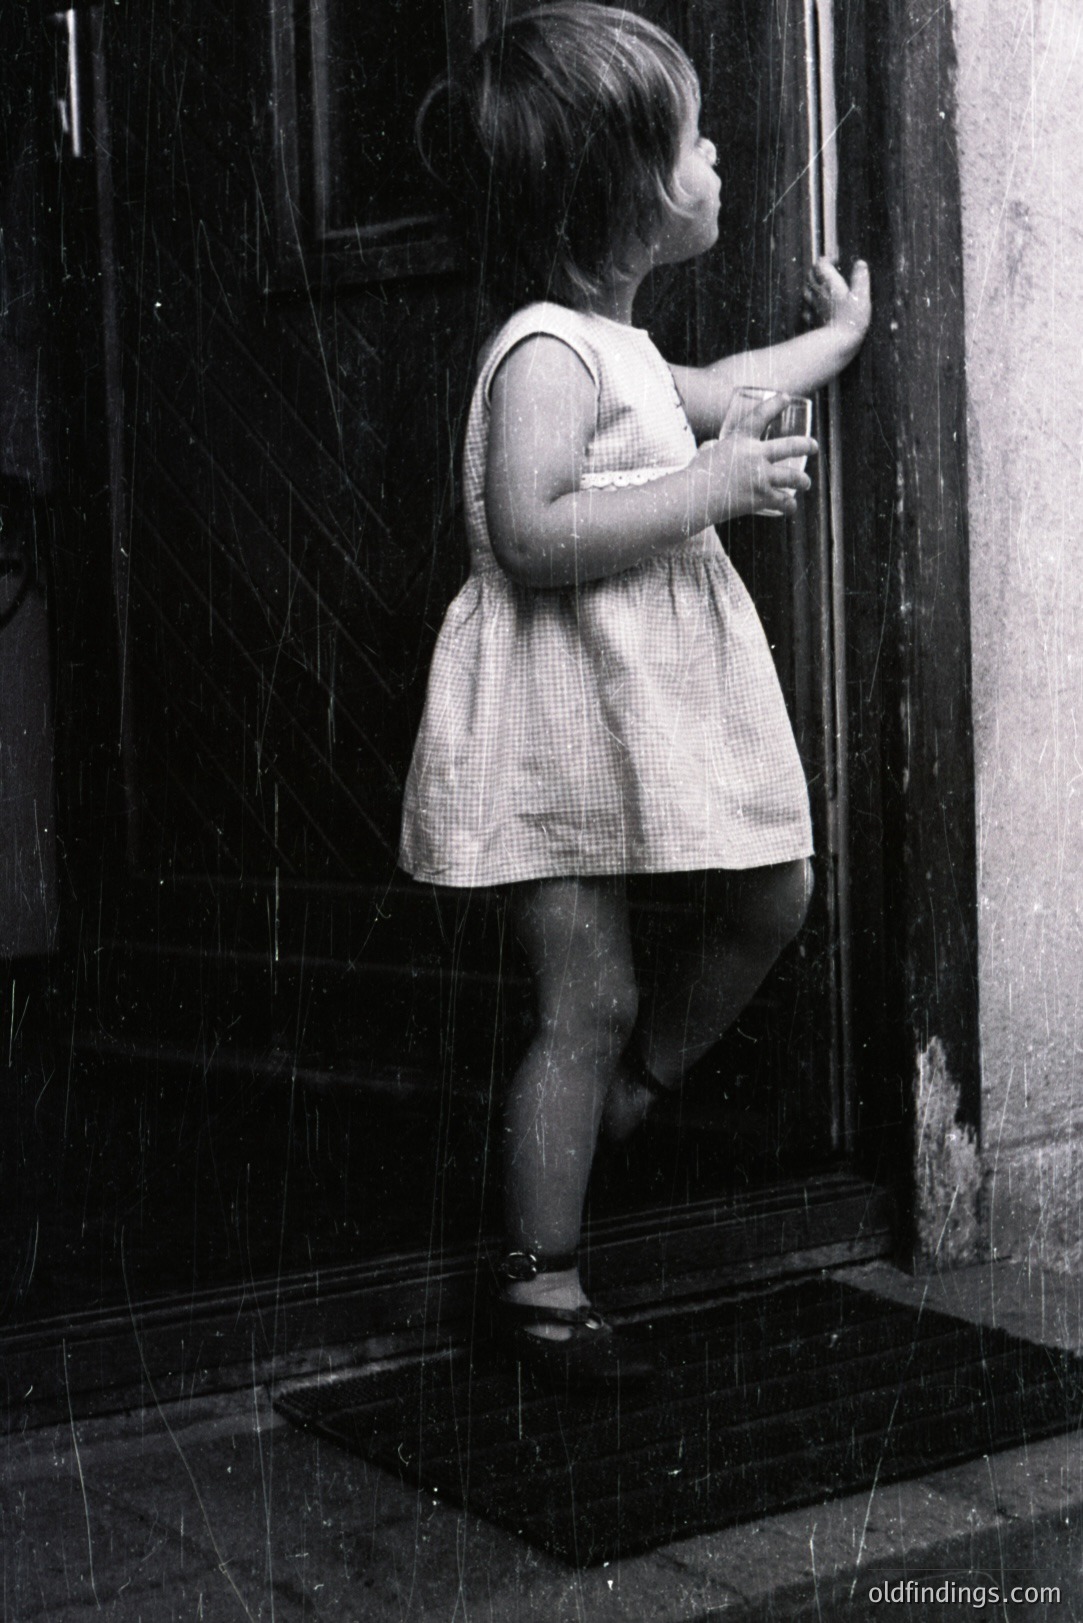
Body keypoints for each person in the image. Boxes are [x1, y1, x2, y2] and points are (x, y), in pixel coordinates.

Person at [399, 2, 871, 1380]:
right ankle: (544, 1285)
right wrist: (706, 494)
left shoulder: (619, 348)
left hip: (635, 710)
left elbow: (721, 390)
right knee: (582, 994)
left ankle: (636, 1093)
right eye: (691, 141)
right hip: (552, 722)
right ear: (621, 193)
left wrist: (834, 347)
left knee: (775, 888)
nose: (718, 155)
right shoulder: (545, 349)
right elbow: (532, 530)